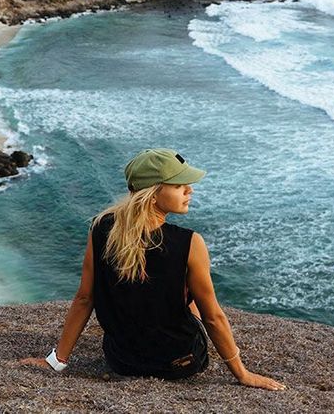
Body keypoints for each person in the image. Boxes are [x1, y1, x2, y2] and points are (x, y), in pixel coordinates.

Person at [20, 148, 286, 390]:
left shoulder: (101, 228)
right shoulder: (190, 242)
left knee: (170, 288)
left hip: (122, 360)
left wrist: (57, 361)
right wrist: (242, 374)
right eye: (180, 185)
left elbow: (84, 298)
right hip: (181, 363)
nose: (189, 191)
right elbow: (213, 317)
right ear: (153, 192)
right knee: (191, 296)